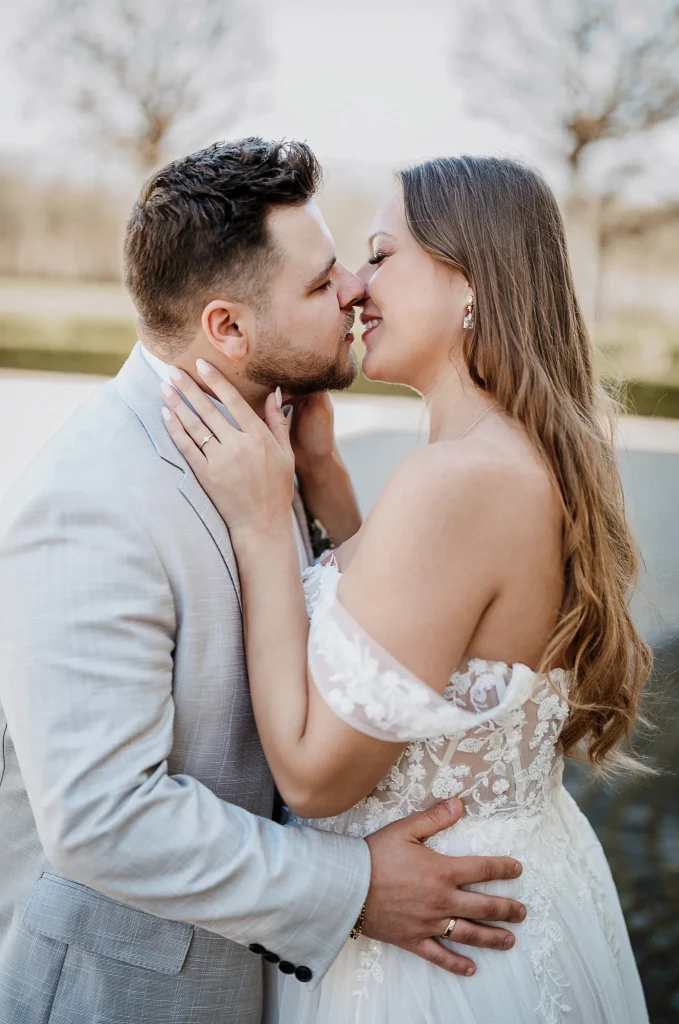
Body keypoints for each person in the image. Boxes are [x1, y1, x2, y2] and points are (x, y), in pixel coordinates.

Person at [0, 140, 527, 1024]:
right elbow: (102, 818)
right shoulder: (88, 500)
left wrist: (319, 492)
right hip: (130, 994)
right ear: (228, 329)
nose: (355, 290)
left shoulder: (265, 431)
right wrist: (355, 886)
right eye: (321, 285)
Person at [160, 152, 652, 1022]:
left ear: (469, 284)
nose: (353, 285)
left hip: (432, 958)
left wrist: (264, 520)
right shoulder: (513, 455)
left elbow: (315, 777)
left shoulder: (455, 481)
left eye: (381, 255)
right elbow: (415, 641)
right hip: (517, 897)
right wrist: (322, 478)